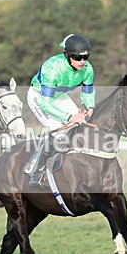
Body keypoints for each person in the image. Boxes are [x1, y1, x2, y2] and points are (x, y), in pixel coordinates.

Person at [25, 33, 95, 186]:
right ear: (67, 55)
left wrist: (89, 107)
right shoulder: (52, 67)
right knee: (57, 128)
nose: (82, 61)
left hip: (60, 96)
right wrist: (70, 117)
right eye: (77, 58)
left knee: (78, 125)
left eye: (86, 57)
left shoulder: (88, 69)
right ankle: (36, 171)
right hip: (39, 97)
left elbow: (88, 92)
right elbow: (46, 104)